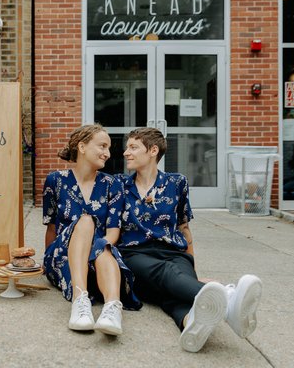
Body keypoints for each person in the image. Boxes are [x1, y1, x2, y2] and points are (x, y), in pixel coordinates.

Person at [116, 127, 263, 352]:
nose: (126, 152)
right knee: (168, 275)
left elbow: (184, 227)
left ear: (153, 150)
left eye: (133, 147)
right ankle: (228, 299)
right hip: (136, 255)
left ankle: (189, 323)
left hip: (174, 252)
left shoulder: (177, 183)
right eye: (127, 147)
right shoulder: (119, 186)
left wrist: (191, 271)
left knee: (173, 289)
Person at [42, 123, 142, 336]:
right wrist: (46, 261)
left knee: (103, 247)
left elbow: (113, 233)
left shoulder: (111, 184)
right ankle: (80, 300)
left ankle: (112, 308)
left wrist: (93, 249)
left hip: (98, 256)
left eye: (109, 148)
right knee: (86, 222)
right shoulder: (55, 180)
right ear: (82, 147)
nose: (107, 154)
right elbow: (52, 227)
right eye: (102, 146)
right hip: (63, 255)